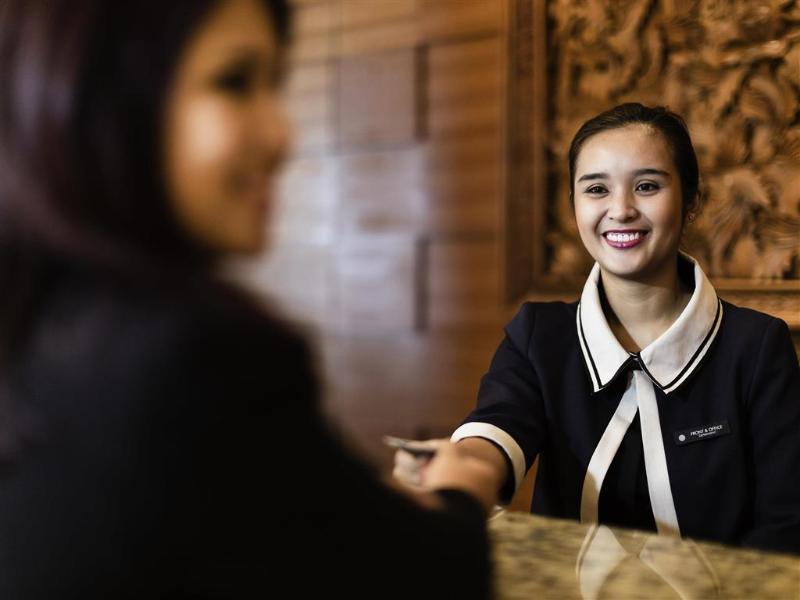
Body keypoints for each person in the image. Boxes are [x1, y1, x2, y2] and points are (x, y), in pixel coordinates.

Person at [0, 1, 500, 597]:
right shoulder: (196, 356)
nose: (282, 134)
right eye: (234, 82)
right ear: (110, 101)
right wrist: (461, 490)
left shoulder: (37, 318)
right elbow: (433, 580)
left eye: (276, 83)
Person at [395, 103, 800, 554]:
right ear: (574, 205)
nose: (621, 210)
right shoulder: (539, 335)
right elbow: (496, 430)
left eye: (647, 186)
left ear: (690, 202)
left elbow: (786, 524)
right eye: (596, 189)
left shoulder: (758, 346)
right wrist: (459, 472)